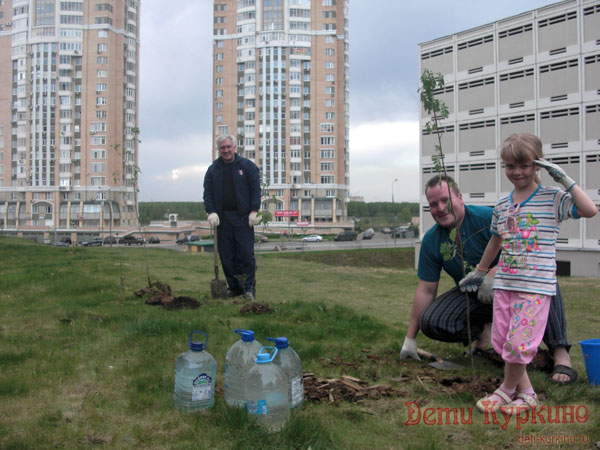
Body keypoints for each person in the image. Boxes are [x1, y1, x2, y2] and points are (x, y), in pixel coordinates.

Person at [459, 133, 597, 412]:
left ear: (538, 165)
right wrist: (480, 271)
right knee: (502, 342)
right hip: (505, 284)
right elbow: (495, 240)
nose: (517, 172)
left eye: (524, 165)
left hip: (535, 287)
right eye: (510, 166)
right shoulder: (501, 204)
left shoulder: (553, 198)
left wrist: (564, 179)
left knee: (519, 344)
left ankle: (505, 390)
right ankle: (528, 394)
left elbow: (589, 209)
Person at [400, 173, 579, 384]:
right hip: (475, 294)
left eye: (445, 200)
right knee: (432, 321)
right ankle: (485, 330)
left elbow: (525, 249)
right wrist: (410, 338)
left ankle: (560, 354)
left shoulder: (489, 218)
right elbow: (426, 290)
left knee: (542, 276)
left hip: (518, 282)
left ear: (459, 197)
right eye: (433, 204)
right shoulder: (432, 241)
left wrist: (493, 274)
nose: (440, 207)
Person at [203, 134, 261, 300]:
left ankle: (248, 289)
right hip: (223, 219)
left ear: (235, 148)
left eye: (229, 147)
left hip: (243, 218)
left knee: (245, 254)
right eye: (223, 148)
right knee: (226, 256)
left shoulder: (247, 166)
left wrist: (254, 211)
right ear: (218, 150)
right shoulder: (213, 170)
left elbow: (256, 190)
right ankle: (234, 287)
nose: (226, 150)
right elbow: (208, 194)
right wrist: (211, 211)